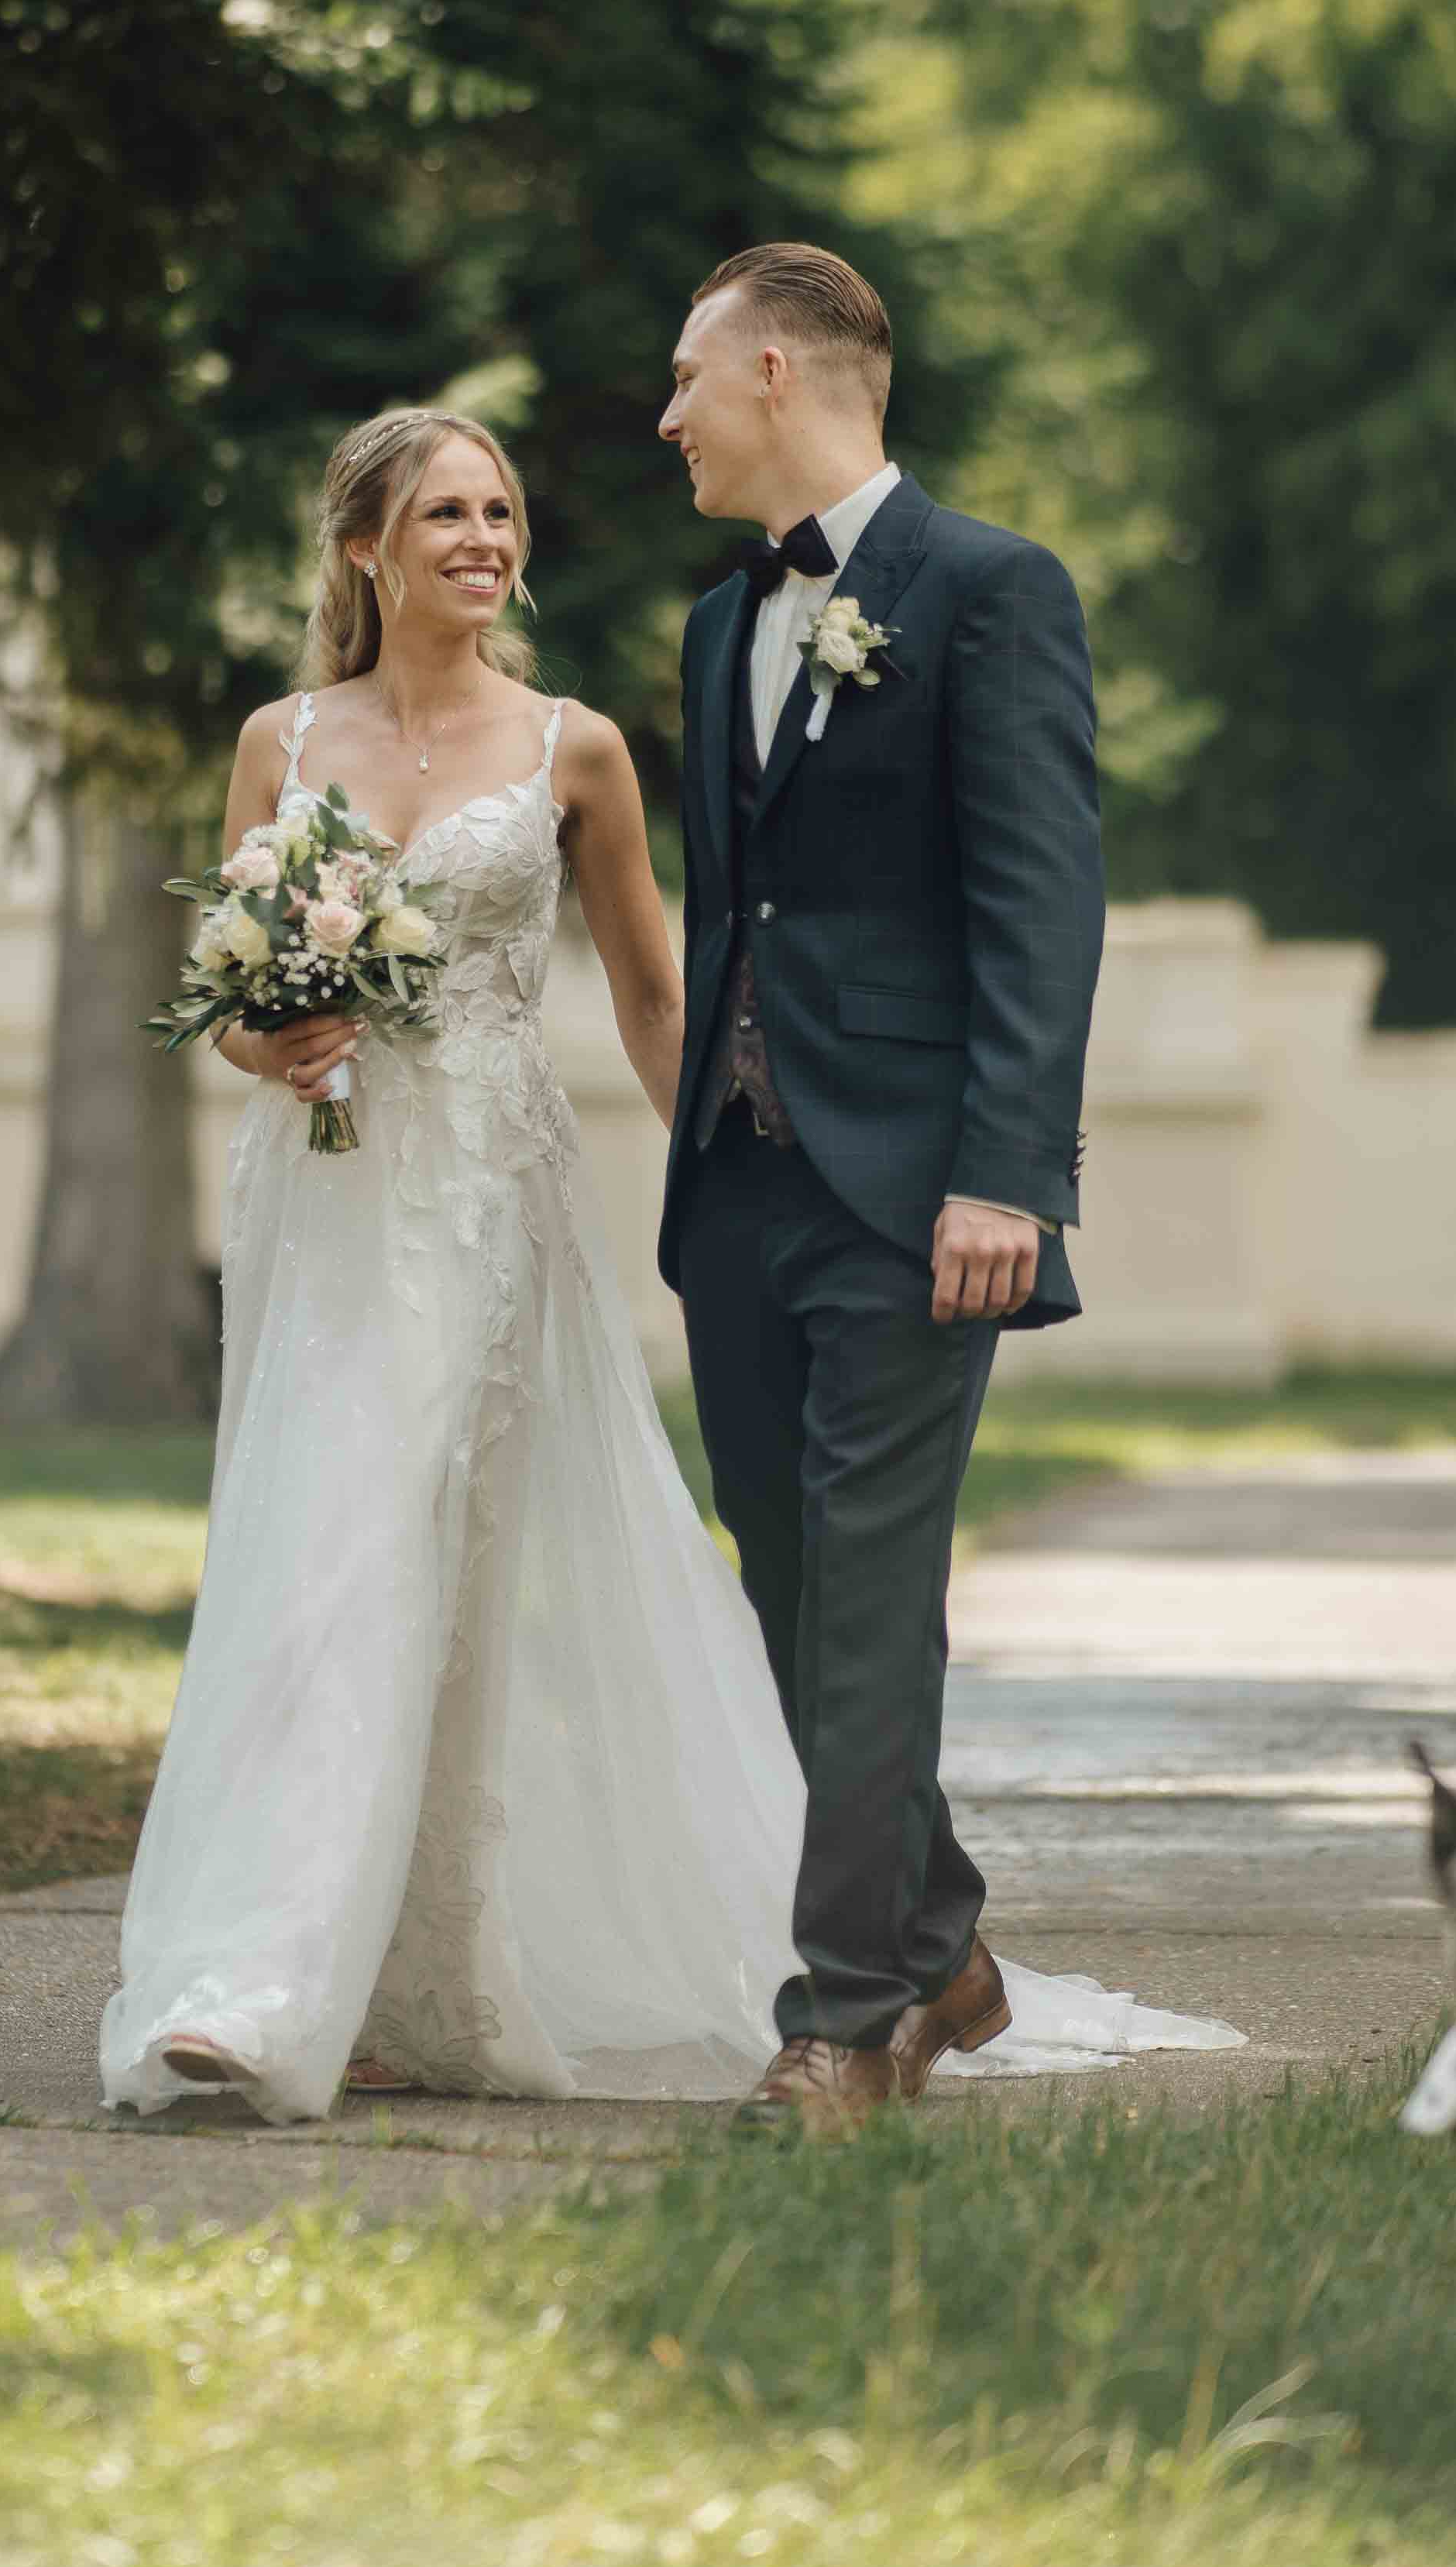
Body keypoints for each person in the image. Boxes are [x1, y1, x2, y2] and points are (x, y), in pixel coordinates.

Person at [101, 393, 1231, 2125]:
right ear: (362, 547)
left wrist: (738, 1174)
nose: (484, 541)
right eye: (444, 518)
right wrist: (273, 1041)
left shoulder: (575, 746)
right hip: (319, 1207)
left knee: (416, 1563)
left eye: (499, 513)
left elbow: (655, 991)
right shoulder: (281, 738)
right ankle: (274, 1977)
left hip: (483, 1201)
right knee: (303, 1552)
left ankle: (310, 1981)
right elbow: (232, 988)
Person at [658, 242, 1109, 2128]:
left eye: (685, 379)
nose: (665, 418)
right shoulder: (714, 623)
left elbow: (1036, 900)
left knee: (864, 1595)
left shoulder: (991, 590)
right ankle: (938, 1937)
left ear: (778, 370)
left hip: (921, 1198)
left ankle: (846, 2023)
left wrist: (1007, 1174)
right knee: (784, 1595)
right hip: (741, 1189)